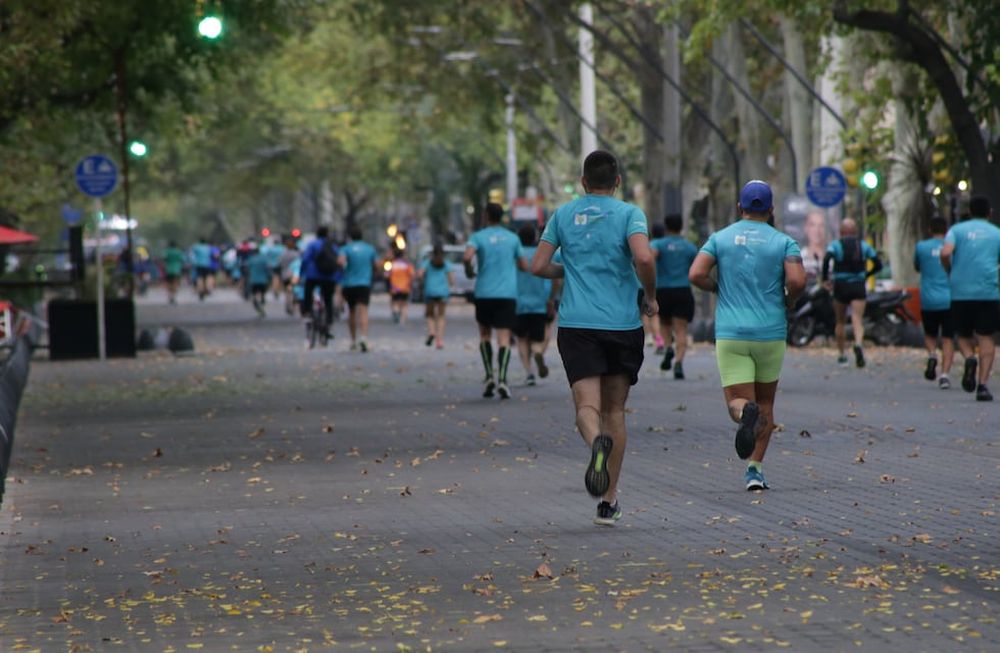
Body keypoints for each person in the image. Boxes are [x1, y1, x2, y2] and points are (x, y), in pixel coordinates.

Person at [531, 150, 657, 526]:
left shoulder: (563, 214)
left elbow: (537, 266)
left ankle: (594, 444)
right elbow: (644, 259)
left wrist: (568, 270)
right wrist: (649, 297)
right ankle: (608, 501)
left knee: (587, 407)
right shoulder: (630, 214)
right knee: (615, 410)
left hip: (577, 325)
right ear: (617, 182)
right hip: (622, 325)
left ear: (583, 182)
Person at [689, 180, 806, 491]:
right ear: (770, 210)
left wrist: (717, 288)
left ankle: (744, 413)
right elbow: (797, 281)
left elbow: (696, 274)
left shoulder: (719, 239)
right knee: (766, 403)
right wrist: (788, 300)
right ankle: (754, 470)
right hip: (770, 332)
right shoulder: (784, 243)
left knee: (738, 402)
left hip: (732, 333)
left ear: (739, 207)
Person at [464, 203, 529, 400]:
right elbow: (524, 265)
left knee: (484, 335)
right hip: (506, 294)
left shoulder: (478, 237)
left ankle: (489, 376)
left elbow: (467, 257)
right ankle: (502, 379)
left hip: (484, 293)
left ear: (486, 216)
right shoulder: (512, 238)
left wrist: (469, 271)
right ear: (502, 217)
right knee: (503, 338)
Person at [941, 195, 1000, 401]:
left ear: (970, 212)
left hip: (960, 292)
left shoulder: (956, 230)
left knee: (962, 335)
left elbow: (945, 252)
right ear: (989, 213)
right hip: (988, 292)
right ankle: (983, 386)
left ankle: (969, 358)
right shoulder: (997, 233)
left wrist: (950, 269)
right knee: (986, 336)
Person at [821, 218, 883, 368]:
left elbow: (827, 259)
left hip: (840, 286)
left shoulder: (835, 245)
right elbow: (878, 263)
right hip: (858, 285)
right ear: (855, 232)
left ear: (841, 232)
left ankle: (842, 355)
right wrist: (867, 274)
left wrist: (825, 278)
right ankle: (858, 343)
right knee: (857, 319)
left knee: (840, 321)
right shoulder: (863, 246)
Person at [650, 213, 699, 379]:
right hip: (683, 290)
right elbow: (698, 266)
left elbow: (650, 257)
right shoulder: (690, 247)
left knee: (664, 322)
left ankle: (668, 347)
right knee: (681, 329)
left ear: (666, 226)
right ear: (681, 226)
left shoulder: (658, 244)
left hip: (663, 290)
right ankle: (678, 362)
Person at [914, 216, 954, 389]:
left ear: (930, 230)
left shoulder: (921, 247)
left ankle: (932, 354)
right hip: (949, 298)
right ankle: (944, 375)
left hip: (928, 299)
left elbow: (917, 266)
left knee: (930, 334)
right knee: (948, 338)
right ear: (946, 230)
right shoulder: (951, 247)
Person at [514, 223, 554, 385]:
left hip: (519, 303)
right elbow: (550, 278)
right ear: (535, 237)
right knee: (540, 335)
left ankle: (529, 373)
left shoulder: (516, 255)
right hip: (539, 302)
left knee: (522, 338)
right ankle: (538, 351)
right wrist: (550, 298)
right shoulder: (541, 254)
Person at [338, 226, 379, 352]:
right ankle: (364, 337)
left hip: (349, 284)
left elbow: (340, 262)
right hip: (364, 283)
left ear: (350, 237)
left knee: (351, 311)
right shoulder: (369, 249)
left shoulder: (345, 249)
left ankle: (353, 340)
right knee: (363, 310)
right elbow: (377, 265)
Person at [299, 226, 340, 340]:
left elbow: (305, 259)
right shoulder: (332, 245)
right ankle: (329, 323)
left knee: (308, 293)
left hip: (313, 275)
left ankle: (307, 313)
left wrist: (301, 273)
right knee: (328, 299)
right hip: (329, 276)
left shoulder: (312, 244)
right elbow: (338, 260)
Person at [418, 243, 455, 349]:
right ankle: (440, 340)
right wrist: (450, 284)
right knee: (441, 316)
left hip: (430, 291)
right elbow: (451, 280)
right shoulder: (446, 264)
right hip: (443, 292)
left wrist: (423, 280)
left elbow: (420, 274)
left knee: (429, 315)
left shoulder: (427, 263)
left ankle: (431, 332)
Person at [644, 224, 666, 353]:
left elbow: (646, 261)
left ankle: (649, 337)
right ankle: (660, 340)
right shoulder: (666, 244)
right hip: (660, 285)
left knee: (645, 314)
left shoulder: (651, 246)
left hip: (645, 284)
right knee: (657, 315)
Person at [386, 248, 414, 325]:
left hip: (394, 287)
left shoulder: (392, 264)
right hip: (405, 287)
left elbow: (387, 275)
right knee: (404, 304)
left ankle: (396, 312)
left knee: (395, 302)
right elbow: (412, 275)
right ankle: (403, 320)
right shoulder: (407, 264)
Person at [801, 210, 829, 284]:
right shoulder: (799, 258)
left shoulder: (832, 258)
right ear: (806, 228)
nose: (817, 230)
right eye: (813, 225)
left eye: (821, 225)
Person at [246, 244, 272, 318]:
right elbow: (268, 269)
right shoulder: (264, 259)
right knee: (262, 294)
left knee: (254, 295)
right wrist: (269, 277)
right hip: (263, 280)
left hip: (253, 280)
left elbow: (247, 269)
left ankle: (257, 307)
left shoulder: (251, 259)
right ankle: (262, 305)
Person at [278, 235, 300, 316]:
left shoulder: (282, 254)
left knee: (287, 291)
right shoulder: (296, 254)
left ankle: (288, 304)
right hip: (294, 275)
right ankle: (293, 307)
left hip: (285, 275)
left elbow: (279, 263)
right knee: (295, 291)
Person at [163, 241, 186, 305]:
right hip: (176, 270)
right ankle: (174, 295)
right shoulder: (178, 251)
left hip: (168, 269)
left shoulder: (167, 251)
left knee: (168, 283)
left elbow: (164, 258)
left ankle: (170, 295)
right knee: (175, 282)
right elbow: (182, 259)